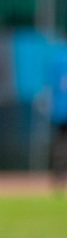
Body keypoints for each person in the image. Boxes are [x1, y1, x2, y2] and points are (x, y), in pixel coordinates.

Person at [48, 41, 67, 190]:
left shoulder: (57, 59)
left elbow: (51, 85)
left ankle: (59, 177)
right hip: (61, 107)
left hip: (60, 109)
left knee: (61, 144)